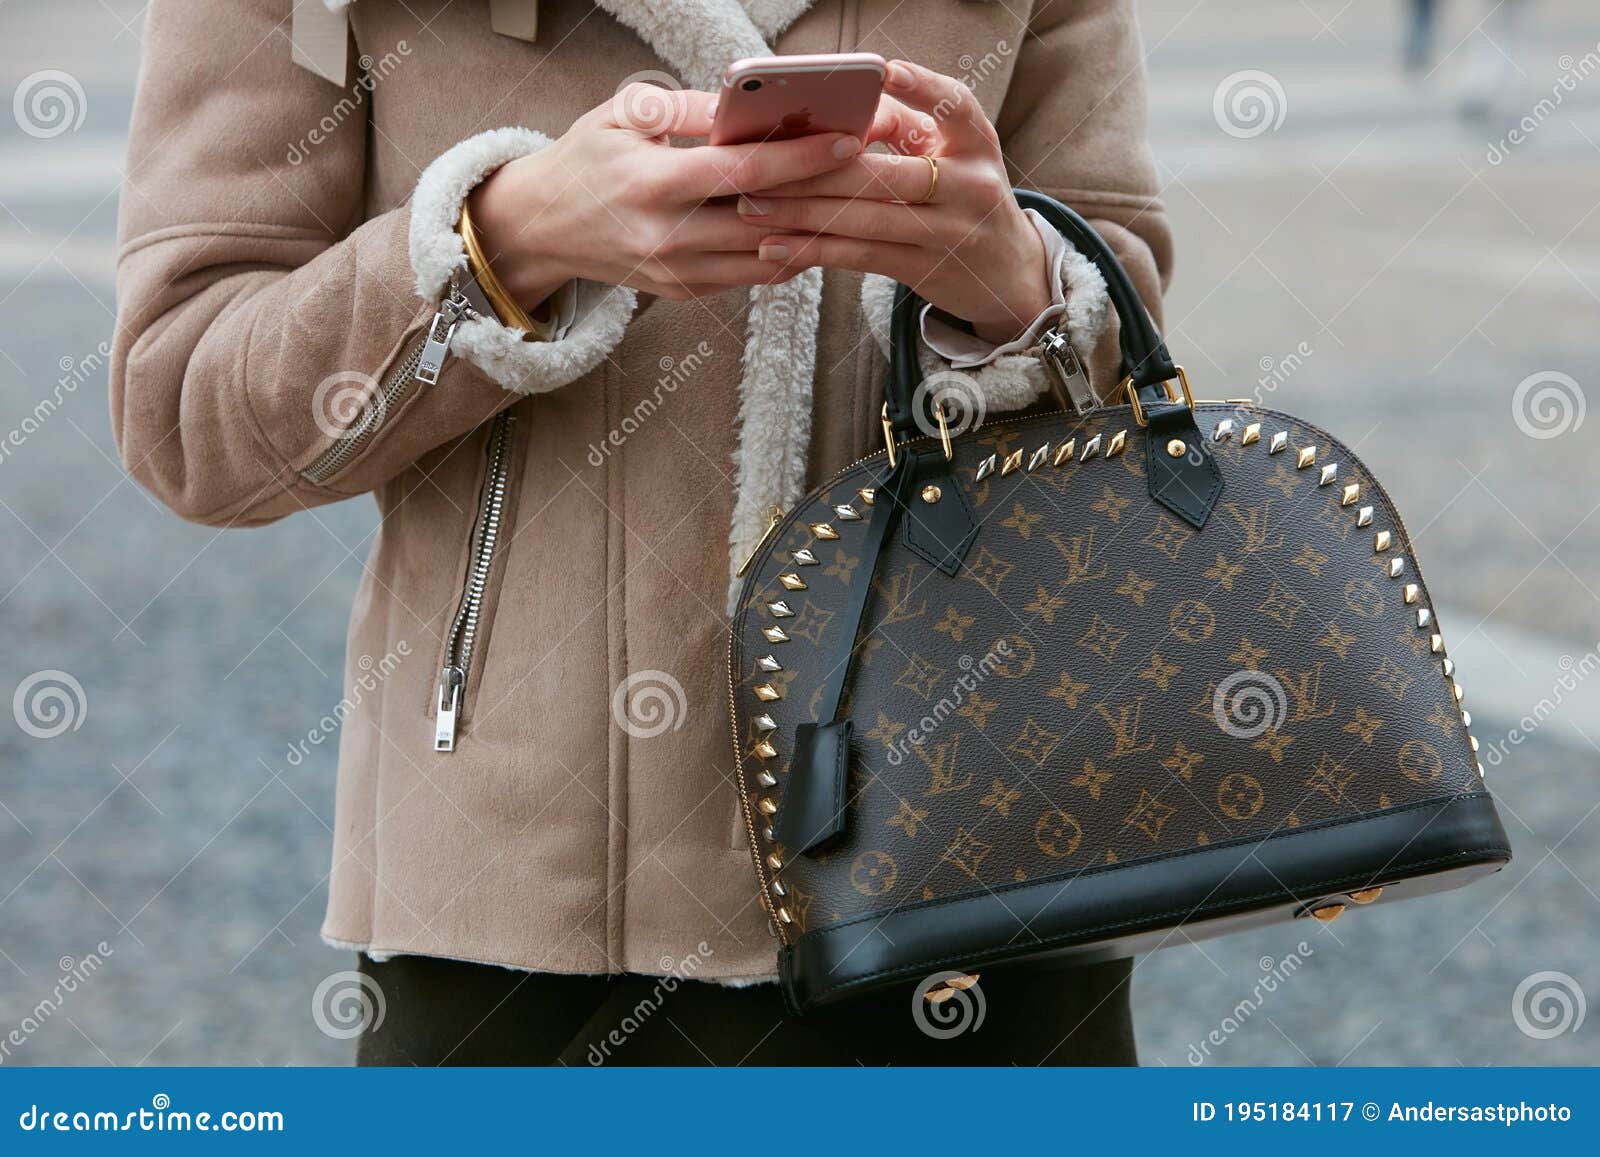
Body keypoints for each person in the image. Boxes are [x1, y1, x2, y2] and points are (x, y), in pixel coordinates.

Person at [111, 0, 1171, 1065]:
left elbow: (1132, 360)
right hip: (520, 900)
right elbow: (186, 413)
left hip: (973, 853)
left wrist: (1017, 287)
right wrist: (504, 240)